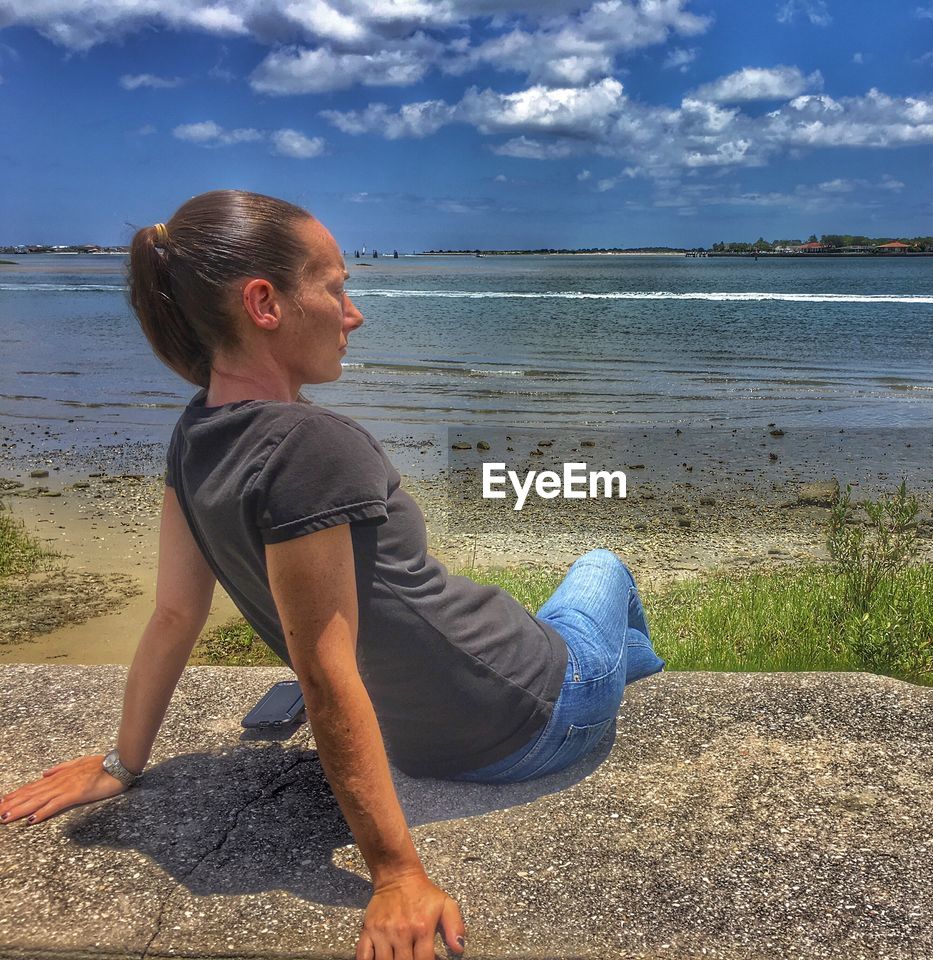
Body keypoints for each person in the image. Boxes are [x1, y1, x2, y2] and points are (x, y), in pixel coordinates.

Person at [0, 190, 665, 960]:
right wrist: (395, 874)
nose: (354, 315)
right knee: (600, 562)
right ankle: (625, 674)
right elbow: (323, 667)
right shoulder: (312, 444)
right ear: (265, 303)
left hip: (429, 735)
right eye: (337, 288)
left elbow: (174, 615)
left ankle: (625, 669)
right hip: (539, 713)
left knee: (557, 616)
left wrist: (124, 763)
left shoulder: (195, 435)